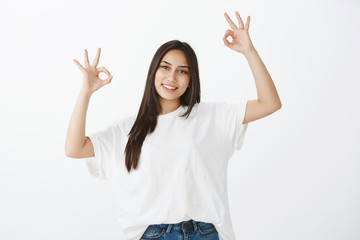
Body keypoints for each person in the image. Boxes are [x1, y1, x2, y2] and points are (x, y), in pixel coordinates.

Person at [65, 11, 282, 240]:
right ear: (153, 72)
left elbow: (270, 103)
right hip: (153, 234)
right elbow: (74, 148)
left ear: (190, 80)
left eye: (182, 71)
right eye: (165, 67)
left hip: (205, 233)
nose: (172, 77)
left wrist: (249, 51)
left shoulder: (211, 116)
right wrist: (86, 92)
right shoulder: (126, 130)